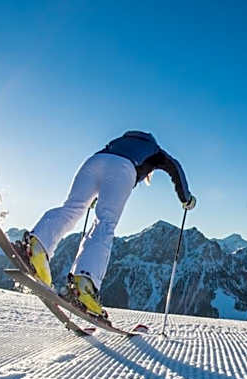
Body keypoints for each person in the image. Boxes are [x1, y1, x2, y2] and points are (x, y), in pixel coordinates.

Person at [16, 131, 195, 318]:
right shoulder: (155, 150)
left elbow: (106, 167)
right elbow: (176, 168)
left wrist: (95, 195)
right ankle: (84, 285)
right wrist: (186, 198)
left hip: (93, 161)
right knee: (105, 223)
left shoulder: (118, 142)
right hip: (123, 168)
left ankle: (36, 247)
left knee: (72, 207)